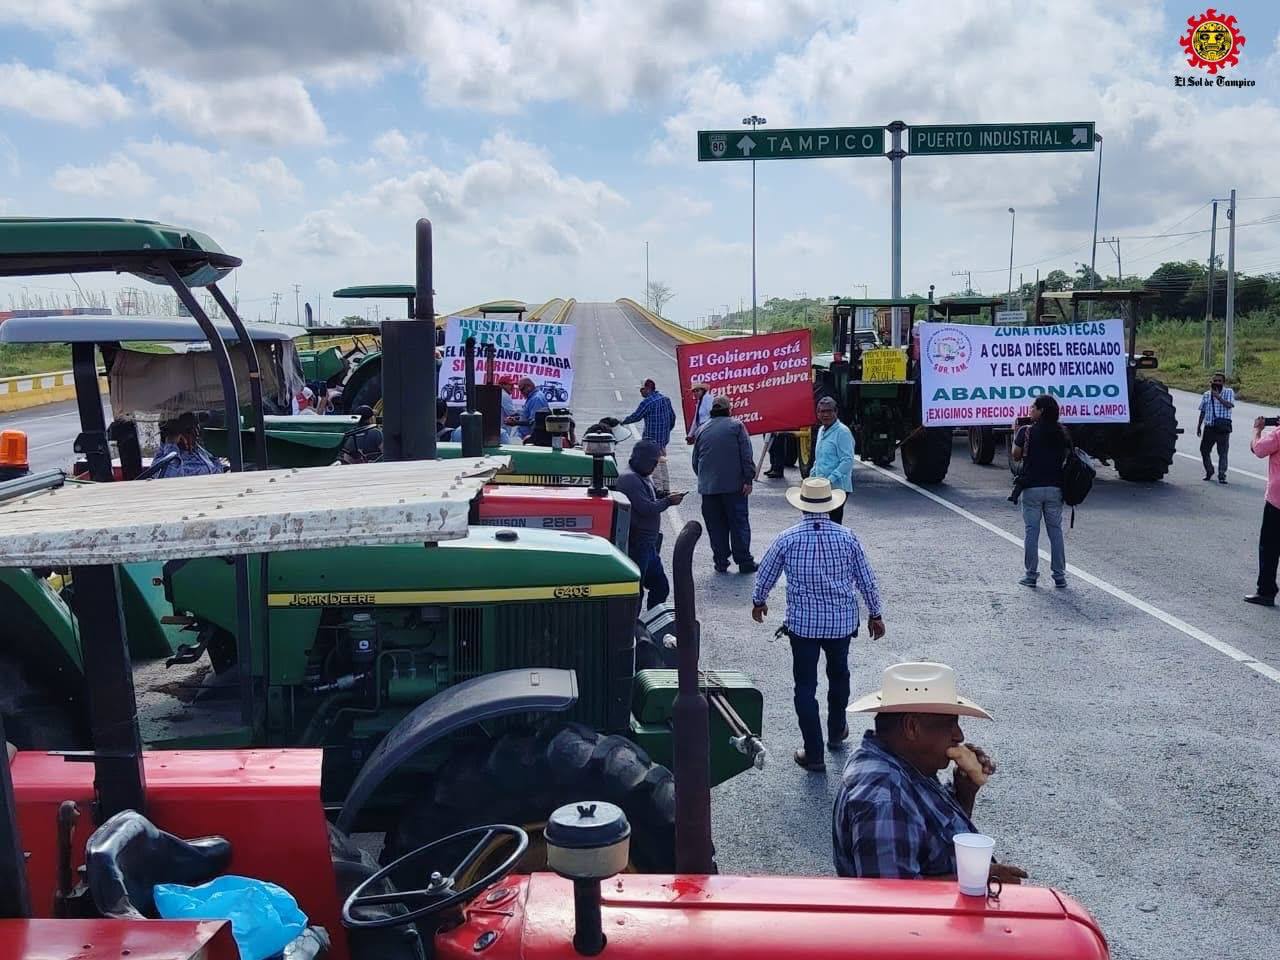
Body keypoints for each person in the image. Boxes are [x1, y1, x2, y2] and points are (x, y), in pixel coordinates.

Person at [833, 661, 1027, 885]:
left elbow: (929, 839)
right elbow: (894, 901)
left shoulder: (905, 762)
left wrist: (965, 791)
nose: (959, 736)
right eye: (950, 724)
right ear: (912, 727)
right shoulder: (886, 799)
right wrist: (980, 878)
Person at [751, 477, 884, 772]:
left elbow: (766, 574)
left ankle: (813, 754)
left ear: (802, 507)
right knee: (839, 676)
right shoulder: (848, 537)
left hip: (803, 626)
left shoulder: (787, 538)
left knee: (805, 687)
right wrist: (876, 614)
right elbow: (867, 580)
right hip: (840, 624)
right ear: (830, 505)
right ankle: (837, 731)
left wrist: (758, 601)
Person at [616, 439, 685, 609]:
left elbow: (651, 496)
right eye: (653, 463)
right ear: (644, 460)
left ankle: (652, 621)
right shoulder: (630, 479)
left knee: (660, 586)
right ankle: (634, 627)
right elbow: (646, 508)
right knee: (636, 591)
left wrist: (663, 495)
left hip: (648, 544)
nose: (655, 467)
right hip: (638, 542)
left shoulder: (642, 476)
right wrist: (668, 501)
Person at [692, 395, 756, 574]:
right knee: (738, 524)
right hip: (733, 487)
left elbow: (696, 462)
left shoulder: (702, 429)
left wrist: (706, 479)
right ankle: (744, 562)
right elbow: (746, 455)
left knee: (716, 526)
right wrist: (748, 479)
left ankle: (720, 562)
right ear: (729, 410)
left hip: (709, 489)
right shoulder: (736, 426)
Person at [1010, 395, 1068, 588]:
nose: (1030, 409)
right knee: (1056, 532)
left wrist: (1015, 434)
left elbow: (1016, 457)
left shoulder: (1026, 432)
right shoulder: (1062, 432)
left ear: (1041, 410)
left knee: (1031, 532)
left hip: (1032, 488)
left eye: (1033, 407)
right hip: (1055, 488)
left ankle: (1031, 575)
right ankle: (1059, 576)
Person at [616, 379, 676, 496]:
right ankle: (666, 487)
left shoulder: (647, 402)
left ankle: (659, 489)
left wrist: (622, 422)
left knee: (655, 463)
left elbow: (637, 416)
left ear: (647, 389)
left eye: (641, 389)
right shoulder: (665, 399)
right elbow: (672, 418)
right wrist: (666, 432)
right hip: (663, 438)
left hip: (651, 439)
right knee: (662, 462)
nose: (640, 392)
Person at [1246, 415, 1280, 606]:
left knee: (1269, 547)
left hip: (1277, 500)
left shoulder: (1277, 434)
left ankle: (1266, 590)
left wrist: (1257, 429)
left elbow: (1258, 449)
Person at [807, 397, 855, 523]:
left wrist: (830, 479)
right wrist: (811, 479)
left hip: (837, 487)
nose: (826, 415)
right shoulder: (821, 430)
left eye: (829, 411)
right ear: (817, 414)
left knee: (833, 524)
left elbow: (847, 460)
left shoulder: (842, 432)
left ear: (836, 412)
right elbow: (820, 459)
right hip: (820, 487)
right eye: (822, 412)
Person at [153, 413, 222, 478]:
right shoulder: (163, 461)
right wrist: (171, 445)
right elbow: (169, 480)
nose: (197, 434)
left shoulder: (197, 451)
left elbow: (216, 466)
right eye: (191, 430)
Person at [1197, 372, 1235, 484]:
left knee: (1222, 452)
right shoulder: (1206, 394)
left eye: (1219, 381)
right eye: (1215, 381)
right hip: (1209, 427)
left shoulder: (1228, 392)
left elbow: (1230, 405)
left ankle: (1222, 475)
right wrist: (1199, 426)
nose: (1217, 383)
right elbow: (1203, 411)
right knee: (1204, 450)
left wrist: (1218, 397)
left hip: (1223, 427)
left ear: (1223, 382)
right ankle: (1209, 471)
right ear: (1211, 382)